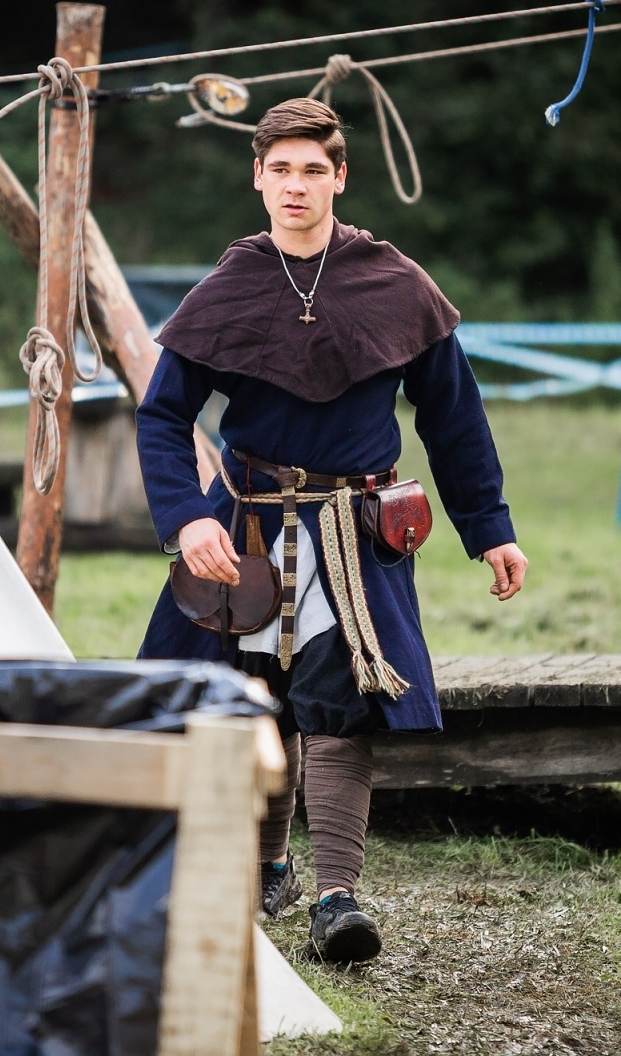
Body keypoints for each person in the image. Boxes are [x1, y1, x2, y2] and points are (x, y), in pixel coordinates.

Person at [135, 98, 528, 964]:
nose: (296, 186)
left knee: (339, 701)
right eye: (280, 170)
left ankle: (336, 896)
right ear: (258, 178)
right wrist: (187, 517)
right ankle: (265, 864)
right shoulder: (229, 289)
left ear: (340, 177)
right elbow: (162, 418)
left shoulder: (394, 283)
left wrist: (489, 528)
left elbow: (452, 417)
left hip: (355, 530)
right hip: (243, 527)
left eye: (313, 169)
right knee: (255, 699)